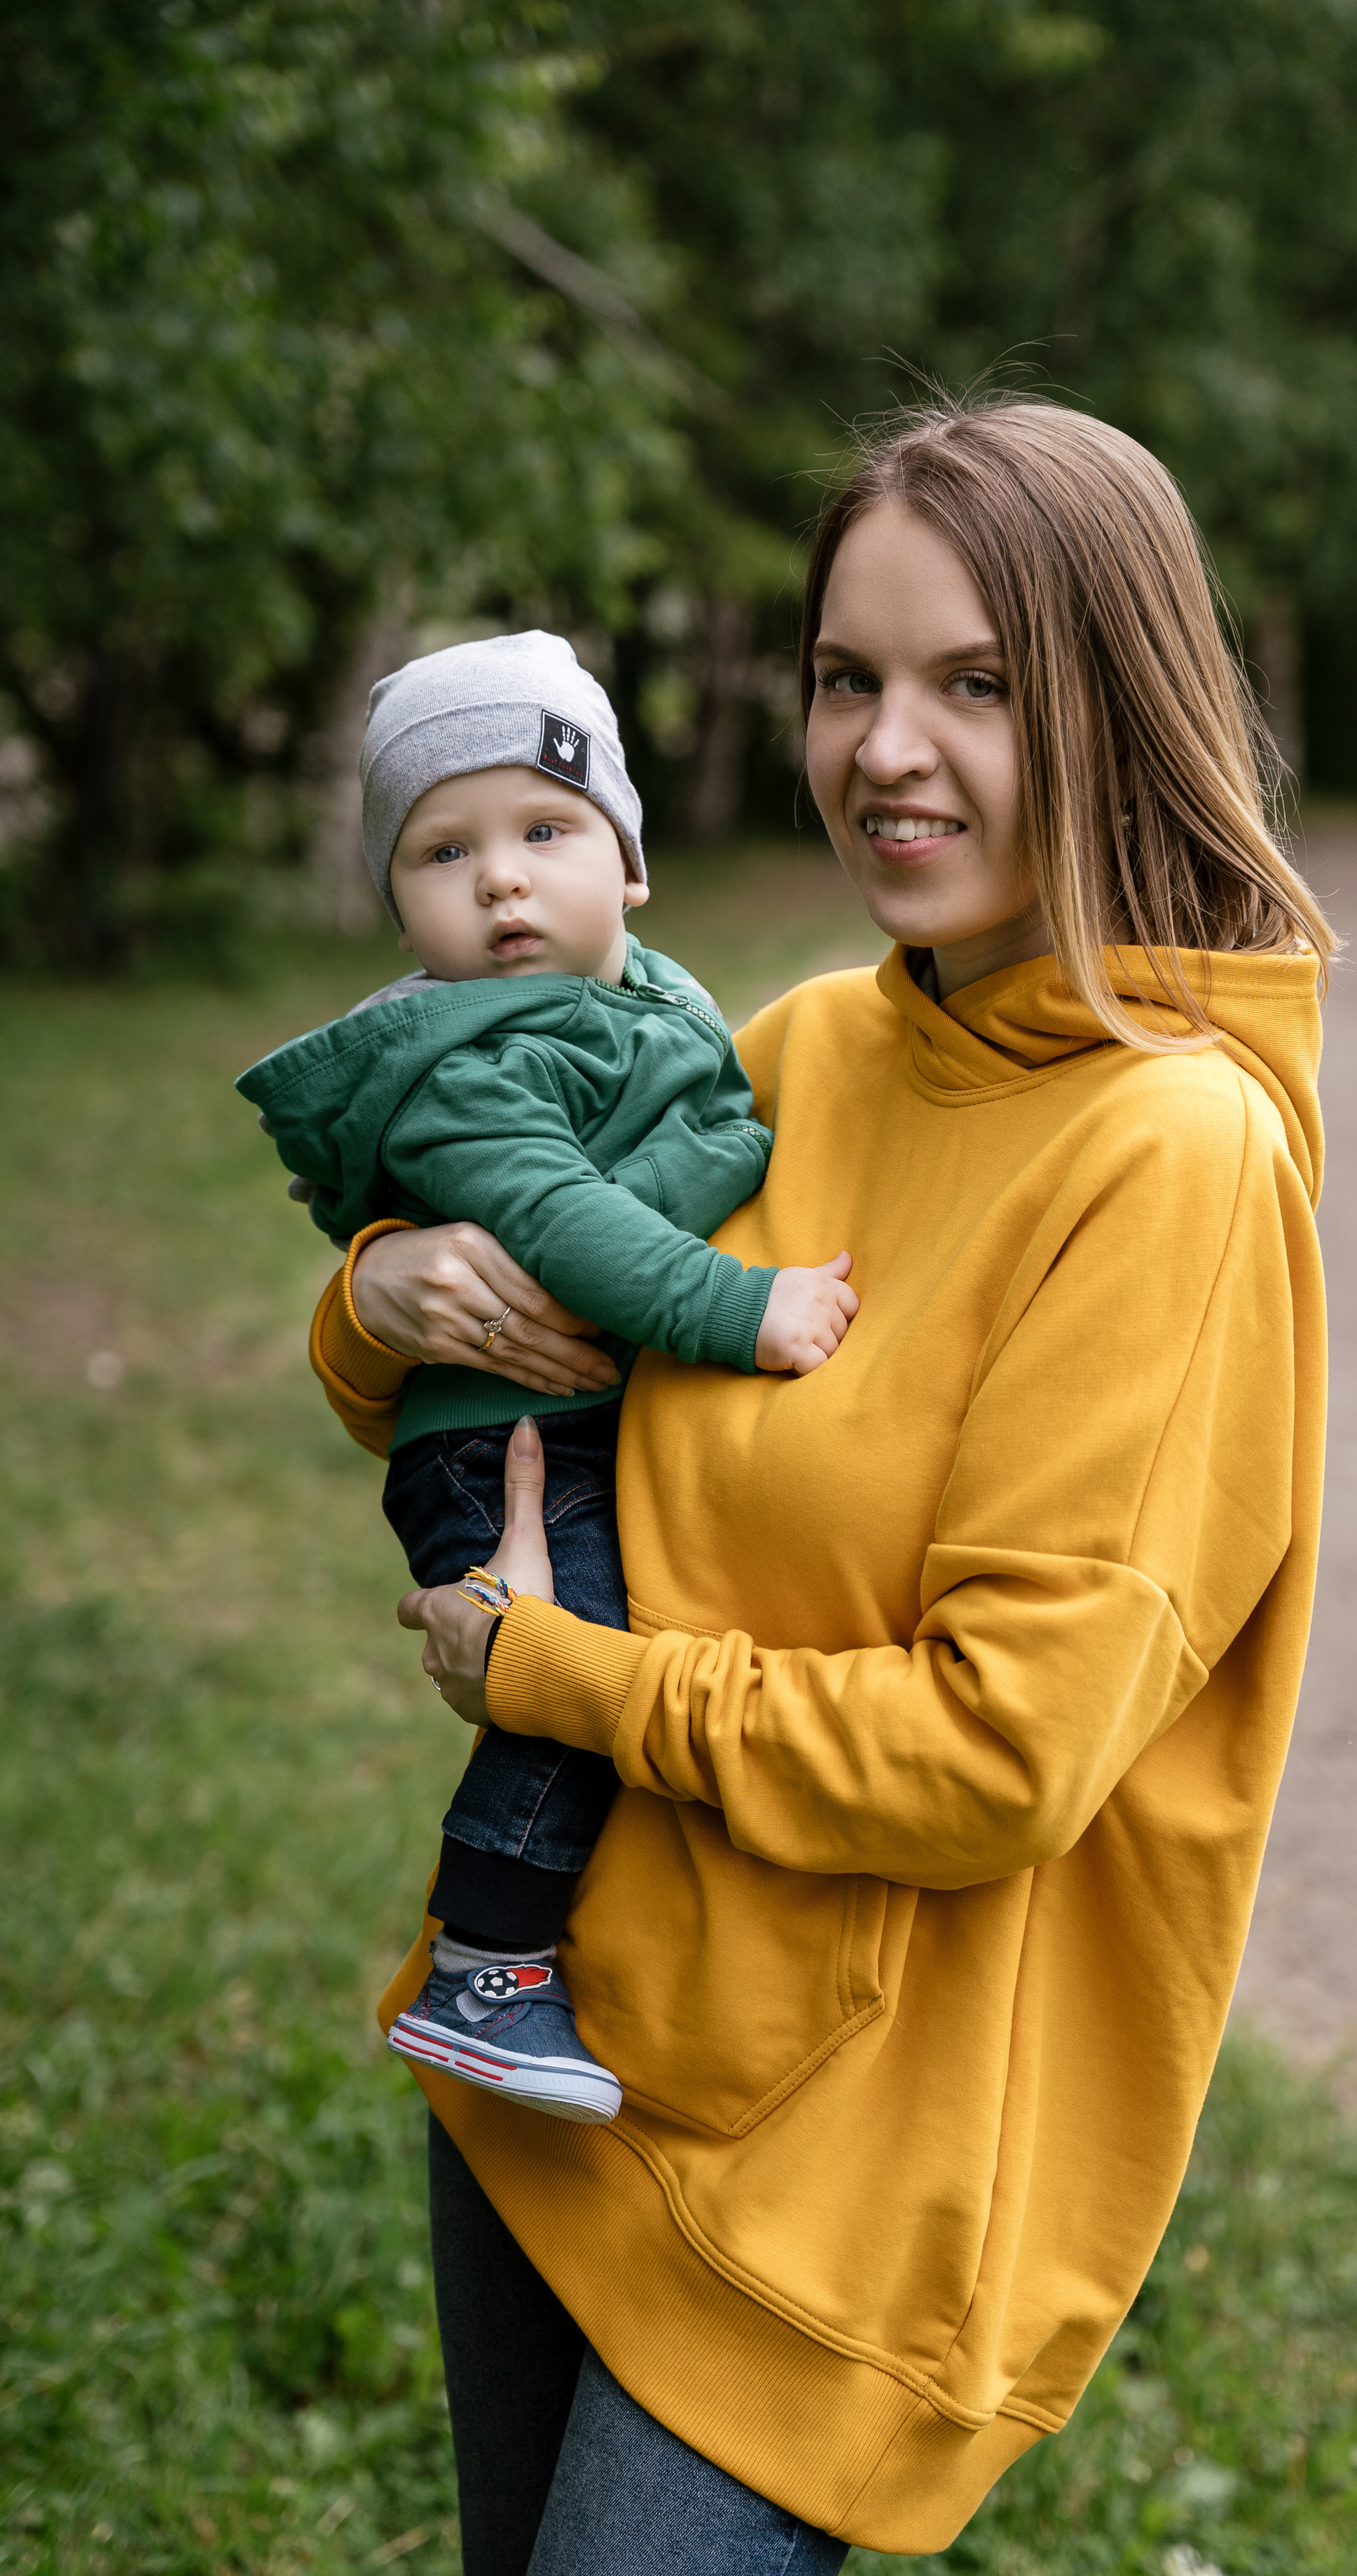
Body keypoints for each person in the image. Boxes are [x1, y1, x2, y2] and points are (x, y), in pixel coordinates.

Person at [310, 399, 1335, 2576]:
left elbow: (1003, 1759)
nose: (891, 748)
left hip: (840, 2192)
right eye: (846, 677)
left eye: (976, 683)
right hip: (568, 2054)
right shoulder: (789, 1049)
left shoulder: (1172, 1161)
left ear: (1119, 701)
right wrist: (373, 1304)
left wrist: (549, 1680)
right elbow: (503, 1299)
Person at [238, 630, 857, 2124]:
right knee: (561, 1657)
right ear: (398, 906)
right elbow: (574, 1230)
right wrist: (743, 1307)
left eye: (543, 830)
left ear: (627, 863)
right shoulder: (470, 1064)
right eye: (443, 852)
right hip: (502, 1445)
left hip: (571, 1424)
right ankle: (487, 1960)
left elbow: (667, 1150)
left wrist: (715, 1147)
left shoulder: (649, 1001)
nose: (502, 879)